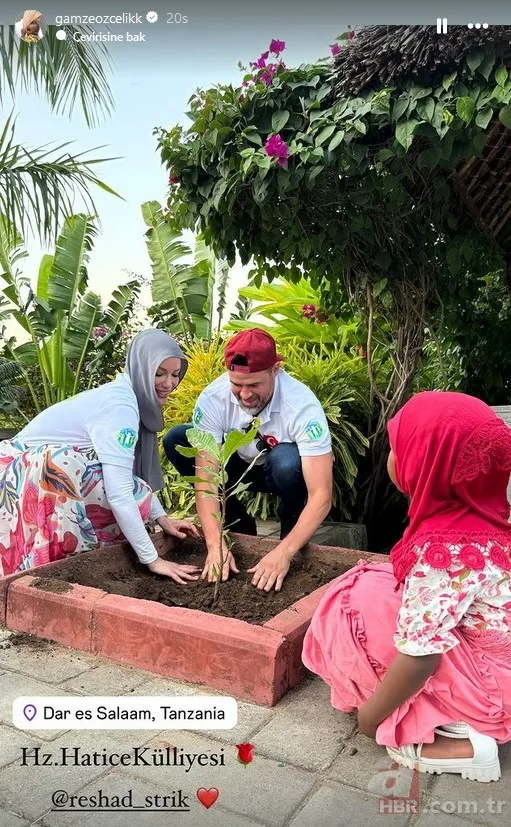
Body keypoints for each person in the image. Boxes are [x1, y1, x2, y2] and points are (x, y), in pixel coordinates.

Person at [302, 391, 511, 783]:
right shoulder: (488, 519)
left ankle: (461, 740)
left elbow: (421, 656)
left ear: (427, 461)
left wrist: (369, 719)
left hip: (492, 688)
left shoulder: (444, 551)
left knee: (352, 602)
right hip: (500, 659)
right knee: (378, 583)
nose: (391, 458)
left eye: (400, 446)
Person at [0, 329, 200, 582]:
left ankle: (82, 558)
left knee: (135, 491)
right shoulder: (120, 407)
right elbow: (120, 493)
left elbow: (130, 477)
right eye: (159, 373)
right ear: (139, 368)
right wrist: (153, 559)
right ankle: (56, 566)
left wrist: (163, 519)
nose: (168, 383)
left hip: (30, 473)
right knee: (122, 490)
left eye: (175, 374)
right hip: (16, 474)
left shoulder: (129, 397)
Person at [163, 328, 333, 592]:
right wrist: (214, 543)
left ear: (275, 370)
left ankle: (291, 541)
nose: (244, 395)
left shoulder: (302, 407)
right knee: (177, 438)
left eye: (254, 385)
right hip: (238, 470)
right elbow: (206, 479)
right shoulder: (212, 399)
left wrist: (284, 552)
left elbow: (321, 494)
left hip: (282, 473)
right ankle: (239, 524)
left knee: (287, 461)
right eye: (237, 385)